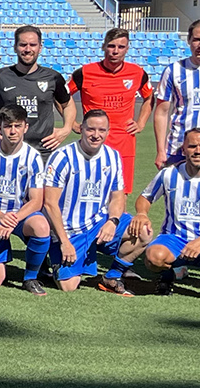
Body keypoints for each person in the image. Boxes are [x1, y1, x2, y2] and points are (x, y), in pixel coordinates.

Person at [129, 126, 200, 300]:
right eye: (192, 146)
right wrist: (142, 214)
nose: (198, 151)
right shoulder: (168, 174)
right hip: (175, 239)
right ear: (183, 148)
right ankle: (167, 278)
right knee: (153, 258)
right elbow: (145, 198)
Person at [43, 109, 133, 295]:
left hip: (99, 223)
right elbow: (50, 203)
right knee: (69, 286)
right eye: (91, 129)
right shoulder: (62, 157)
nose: (96, 135)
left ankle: (112, 275)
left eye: (102, 130)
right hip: (69, 229)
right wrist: (64, 241)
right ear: (81, 129)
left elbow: (117, 196)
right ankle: (51, 257)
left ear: (108, 132)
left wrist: (113, 221)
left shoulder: (113, 156)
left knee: (142, 231)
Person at [0, 105, 52, 293]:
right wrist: (1, 216)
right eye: (8, 126)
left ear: (26, 127)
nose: (13, 131)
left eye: (17, 125)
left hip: (20, 215)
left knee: (41, 226)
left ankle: (31, 277)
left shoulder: (33, 157)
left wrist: (11, 219)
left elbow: (36, 200)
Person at [69, 27, 152, 195]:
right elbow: (62, 95)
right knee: (89, 188)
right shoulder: (85, 72)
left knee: (121, 192)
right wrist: (71, 123)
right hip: (93, 139)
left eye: (121, 47)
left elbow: (149, 97)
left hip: (124, 140)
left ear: (127, 48)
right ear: (103, 46)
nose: (115, 51)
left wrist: (141, 122)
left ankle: (116, 221)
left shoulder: (137, 73)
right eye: (111, 46)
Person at [0, 25, 72, 154]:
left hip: (43, 152)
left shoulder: (53, 77)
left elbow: (68, 104)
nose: (28, 49)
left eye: (32, 45)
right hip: (8, 151)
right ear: (15, 47)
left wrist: (66, 129)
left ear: (40, 48)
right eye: (23, 45)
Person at [153, 19, 200, 168]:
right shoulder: (173, 70)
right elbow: (161, 112)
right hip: (179, 148)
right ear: (188, 40)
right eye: (196, 39)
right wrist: (160, 150)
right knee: (178, 190)